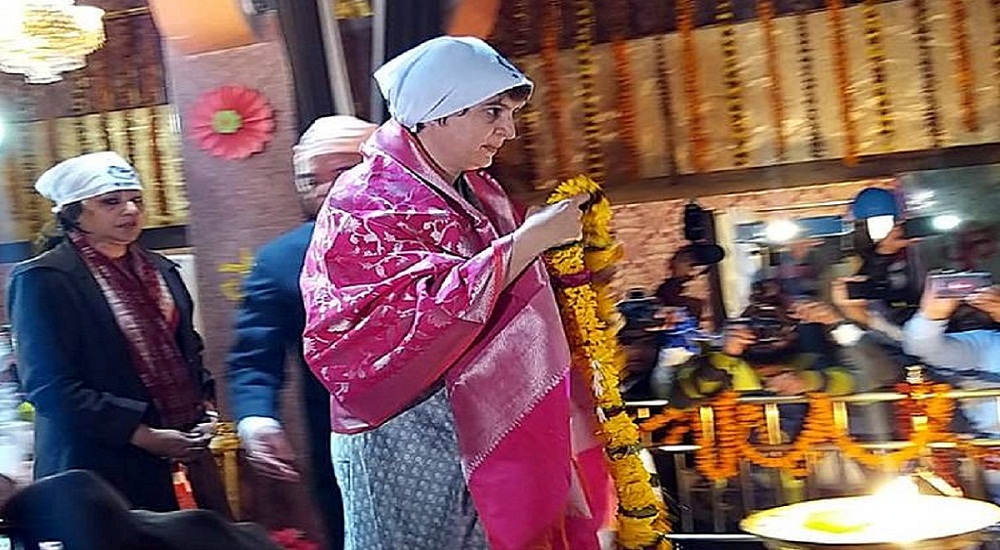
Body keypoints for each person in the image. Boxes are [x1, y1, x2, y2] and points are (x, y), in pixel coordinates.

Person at [300, 36, 612, 550]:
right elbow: (381, 330)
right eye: (493, 111)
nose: (507, 130)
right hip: (405, 430)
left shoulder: (482, 193)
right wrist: (528, 241)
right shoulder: (366, 199)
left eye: (510, 113)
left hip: (482, 422)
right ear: (436, 109)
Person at [6, 152, 225, 513]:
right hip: (96, 467)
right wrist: (144, 435)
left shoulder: (161, 269)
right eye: (111, 202)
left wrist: (206, 414)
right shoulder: (45, 279)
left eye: (136, 200)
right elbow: (49, 387)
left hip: (181, 451)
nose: (130, 210)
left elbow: (190, 352)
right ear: (74, 213)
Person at [226, 115, 376, 548]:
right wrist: (256, 418)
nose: (326, 189)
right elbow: (254, 358)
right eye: (311, 180)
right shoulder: (281, 261)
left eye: (342, 172)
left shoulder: (432, 235)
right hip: (347, 446)